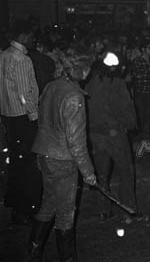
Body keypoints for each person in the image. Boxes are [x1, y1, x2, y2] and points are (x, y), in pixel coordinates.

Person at [27, 46, 97, 262]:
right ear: (80, 70)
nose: (90, 73)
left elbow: (41, 120)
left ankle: (33, 253)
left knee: (48, 204)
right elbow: (76, 142)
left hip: (43, 154)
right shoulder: (74, 95)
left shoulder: (51, 86)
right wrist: (89, 173)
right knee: (66, 213)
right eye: (88, 69)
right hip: (63, 160)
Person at [86, 52, 141, 223]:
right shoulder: (117, 84)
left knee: (102, 173)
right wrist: (132, 124)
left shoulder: (90, 81)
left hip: (95, 132)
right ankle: (128, 209)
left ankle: (102, 208)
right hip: (114, 132)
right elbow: (126, 109)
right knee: (125, 170)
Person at [0, 20, 42, 225]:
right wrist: (34, 116)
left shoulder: (4, 55)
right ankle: (27, 209)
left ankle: (17, 207)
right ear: (23, 36)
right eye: (31, 35)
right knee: (28, 166)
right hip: (23, 118)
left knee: (16, 164)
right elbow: (25, 94)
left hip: (9, 116)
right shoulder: (22, 60)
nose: (34, 39)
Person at [131, 40, 150, 138]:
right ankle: (141, 135)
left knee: (149, 115)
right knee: (140, 115)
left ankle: (147, 134)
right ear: (143, 49)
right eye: (149, 48)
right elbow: (136, 75)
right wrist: (147, 70)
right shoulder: (137, 61)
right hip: (140, 92)